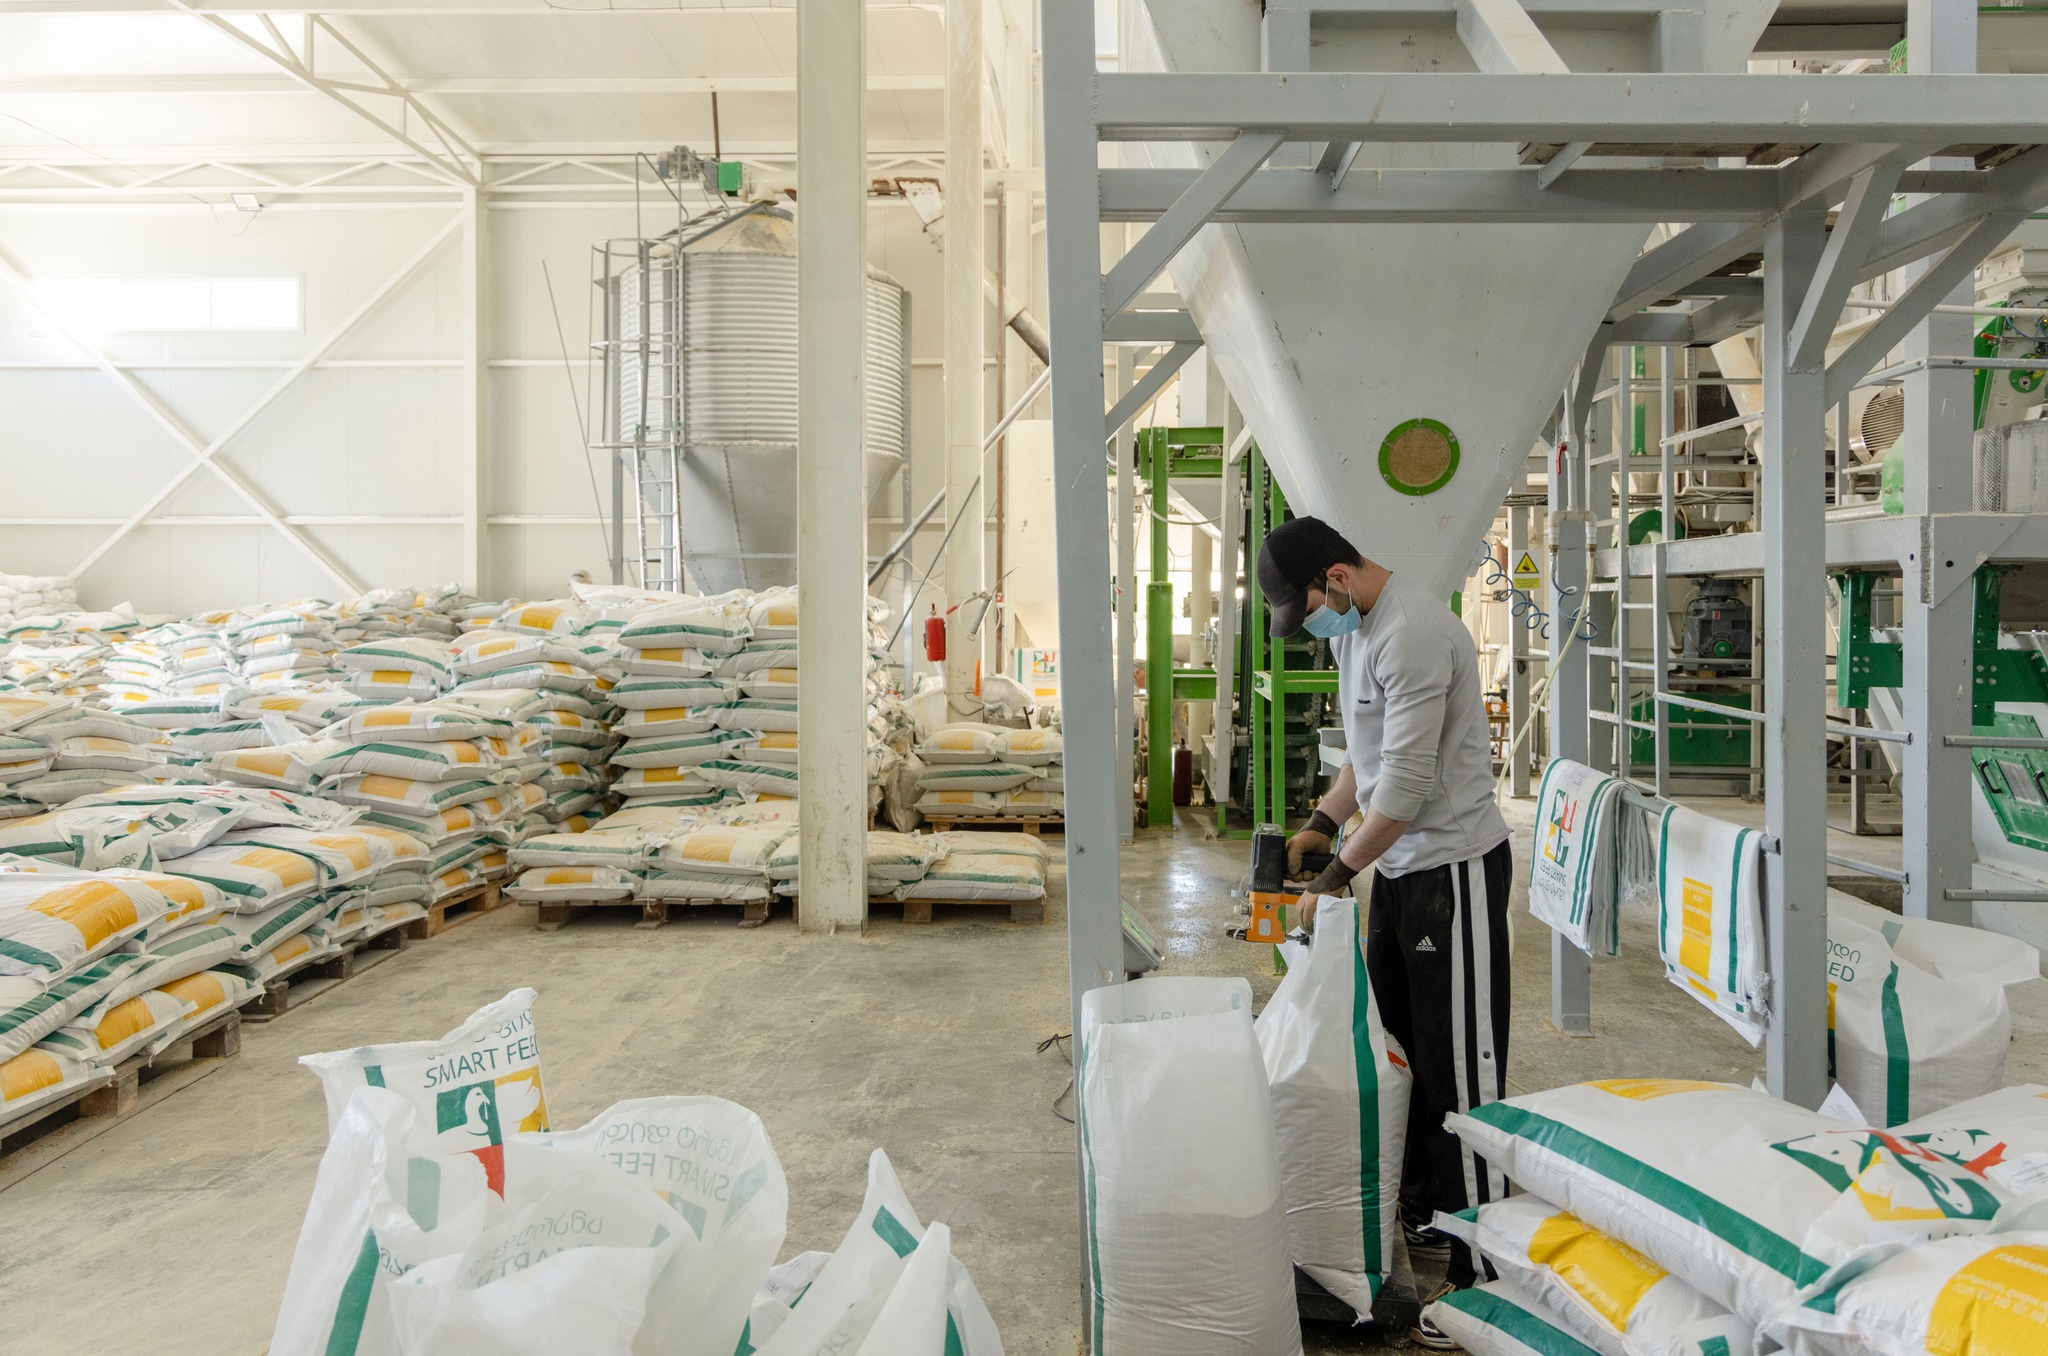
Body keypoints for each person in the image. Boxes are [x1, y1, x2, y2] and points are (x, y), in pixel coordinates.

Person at [1257, 515, 1512, 1351]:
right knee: (1398, 1043)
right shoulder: (1356, 633)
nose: (1313, 627)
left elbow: (1402, 787)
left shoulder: (1414, 634)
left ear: (1336, 576)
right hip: (1399, 871)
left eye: (1308, 609)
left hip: (1452, 869)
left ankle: (1483, 1269)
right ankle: (1429, 1208)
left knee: (1459, 1067)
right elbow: (1364, 762)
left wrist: (1334, 874)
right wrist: (1323, 823)